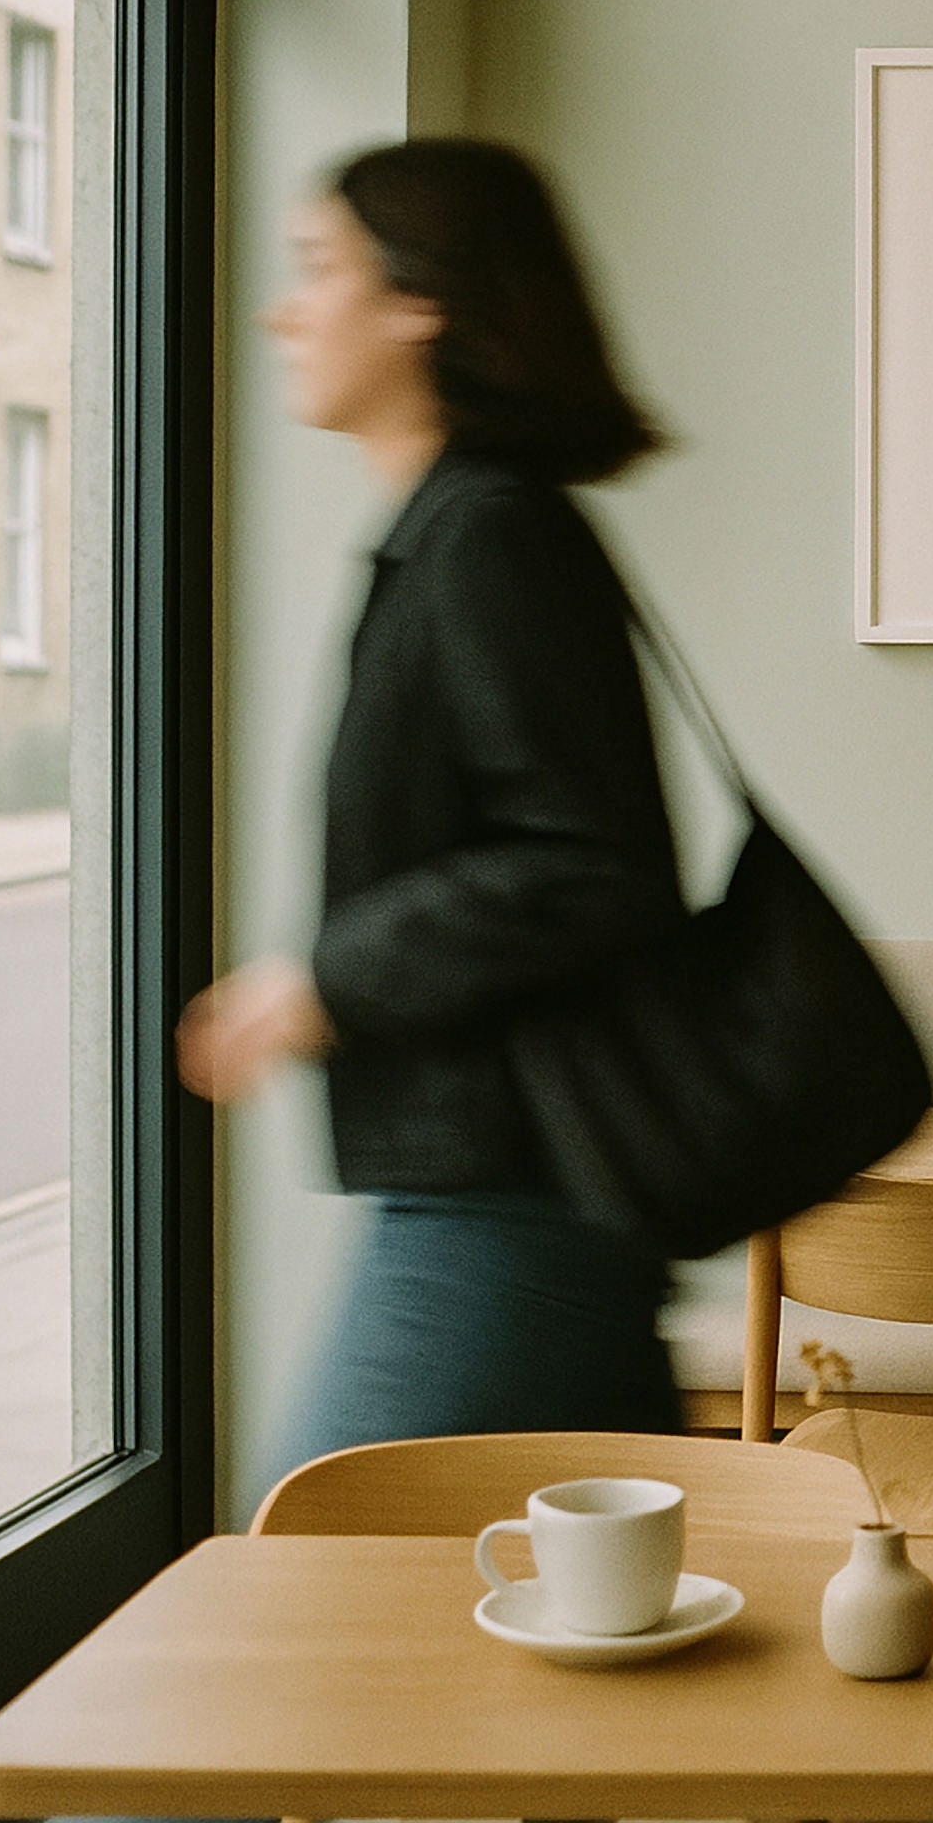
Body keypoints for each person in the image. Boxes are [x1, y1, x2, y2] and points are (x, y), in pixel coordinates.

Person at [176, 137, 689, 1473]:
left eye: (317, 268)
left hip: (507, 1195)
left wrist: (322, 982)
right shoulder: (461, 529)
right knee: (559, 1589)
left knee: (303, 1565)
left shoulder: (488, 537)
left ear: (420, 298)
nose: (282, 311)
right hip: (508, 1186)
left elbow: (591, 864)